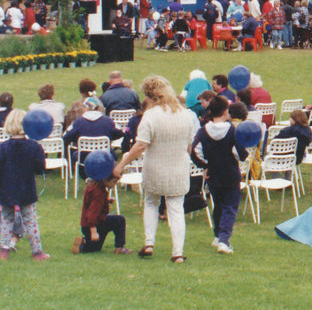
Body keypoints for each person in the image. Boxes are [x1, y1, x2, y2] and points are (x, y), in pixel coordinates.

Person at [114, 76, 193, 263]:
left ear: (149, 96)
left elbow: (140, 145)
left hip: (155, 167)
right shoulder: (185, 114)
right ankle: (178, 252)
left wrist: (122, 164)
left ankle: (149, 243)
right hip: (178, 167)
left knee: (151, 203)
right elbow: (189, 145)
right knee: (176, 209)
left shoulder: (150, 116)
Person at [191, 96, 248, 255]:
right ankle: (224, 239)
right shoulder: (232, 130)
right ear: (225, 111)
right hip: (230, 173)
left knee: (218, 205)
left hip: (213, 174)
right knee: (230, 207)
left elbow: (194, 152)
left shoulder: (203, 131)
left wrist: (205, 166)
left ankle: (217, 235)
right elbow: (241, 153)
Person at [0, 111, 48, 260]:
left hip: (7, 189)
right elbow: (40, 168)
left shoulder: (3, 147)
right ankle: (37, 252)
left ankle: (3, 249)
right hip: (27, 188)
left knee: (6, 219)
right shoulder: (34, 147)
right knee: (30, 220)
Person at [72, 171, 130, 255]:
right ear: (105, 179)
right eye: (114, 182)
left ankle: (85, 241)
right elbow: (92, 214)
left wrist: (106, 201)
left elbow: (91, 203)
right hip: (95, 225)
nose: (115, 184)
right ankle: (119, 248)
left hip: (87, 225)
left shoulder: (94, 187)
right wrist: (94, 232)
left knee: (95, 247)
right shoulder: (98, 193)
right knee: (119, 220)